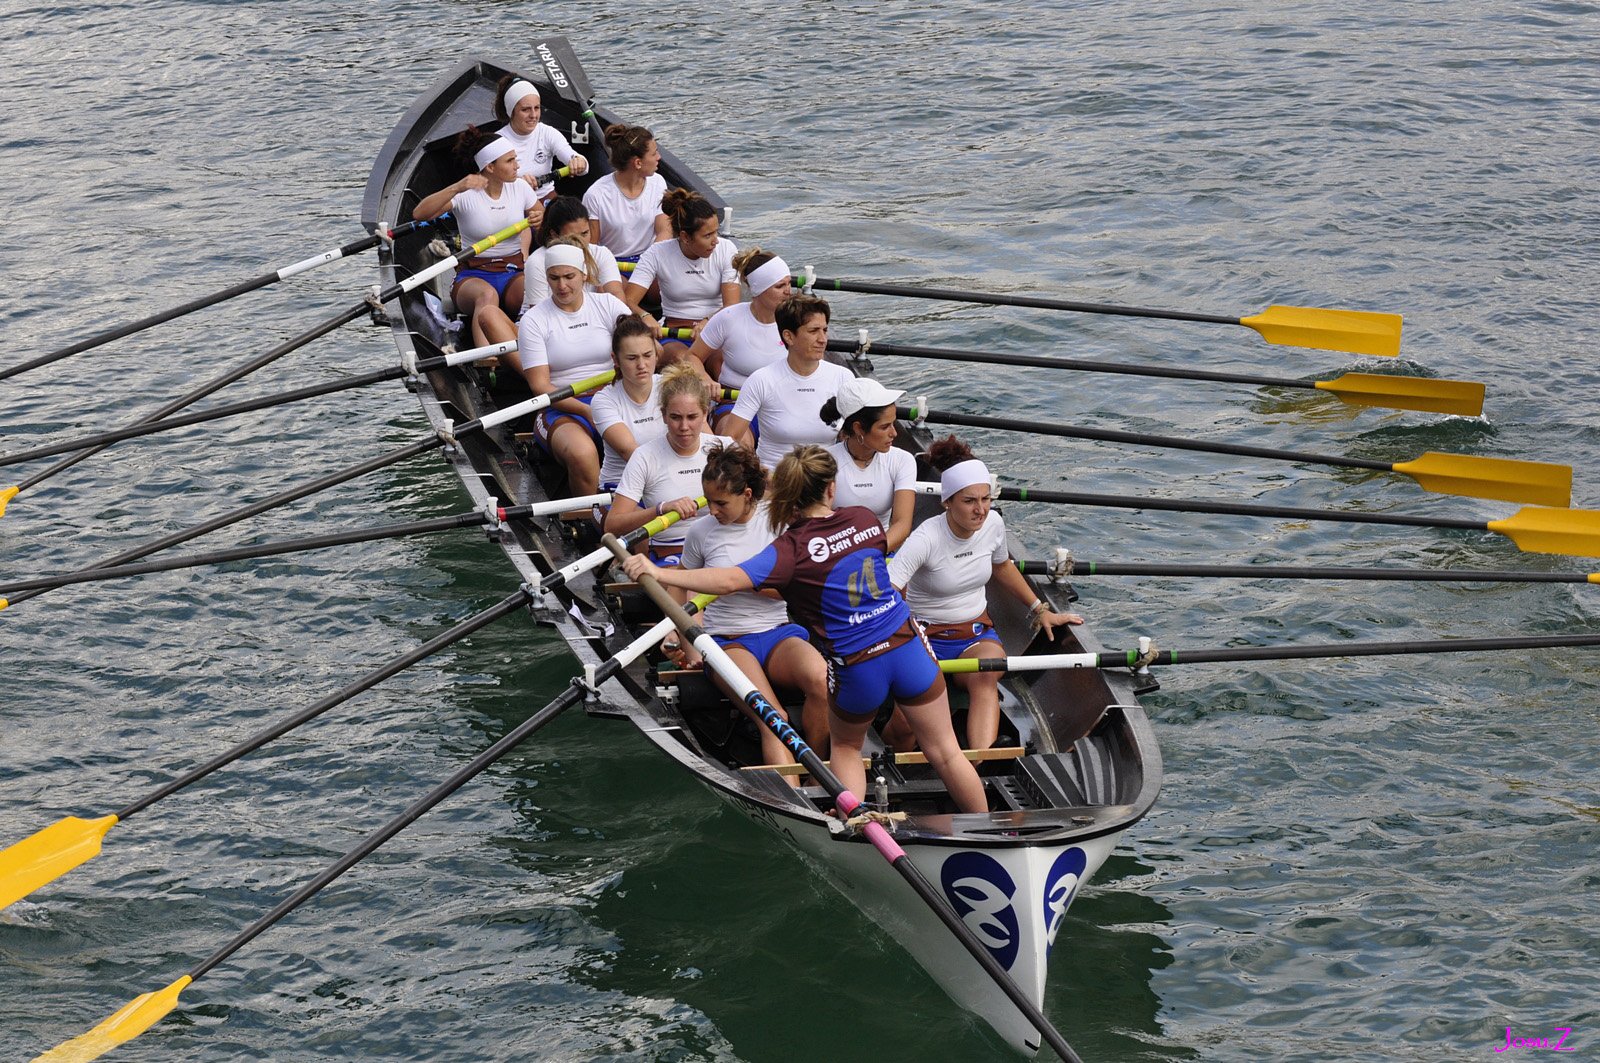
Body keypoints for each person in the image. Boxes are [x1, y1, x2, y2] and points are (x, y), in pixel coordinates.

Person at [622, 445, 989, 815]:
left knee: (846, 749)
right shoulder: (865, 520)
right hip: (909, 647)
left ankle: (855, 823)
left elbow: (730, 579)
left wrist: (658, 571)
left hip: (860, 667)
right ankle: (989, 825)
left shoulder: (790, 550)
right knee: (945, 753)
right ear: (831, 488)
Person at [888, 437, 1083, 749]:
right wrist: (897, 643)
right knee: (906, 726)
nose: (980, 510)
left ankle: (981, 761)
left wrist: (1039, 609)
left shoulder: (993, 523)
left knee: (988, 674)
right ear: (946, 502)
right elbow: (888, 592)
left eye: (985, 499)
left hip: (974, 636)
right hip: (924, 637)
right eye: (969, 501)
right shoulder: (925, 538)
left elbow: (1002, 566)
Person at [675, 443, 831, 770]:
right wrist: (690, 643)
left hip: (778, 633)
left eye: (720, 503)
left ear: (747, 494)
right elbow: (685, 585)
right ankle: (797, 803)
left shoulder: (779, 522)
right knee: (773, 719)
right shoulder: (700, 532)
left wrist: (749, 582)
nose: (712, 510)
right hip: (727, 641)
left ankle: (820, 781)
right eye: (708, 500)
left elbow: (798, 589)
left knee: (822, 681)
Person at [518, 238, 637, 496]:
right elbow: (541, 387)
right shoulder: (534, 321)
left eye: (569, 276)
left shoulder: (608, 305)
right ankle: (589, 520)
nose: (562, 286)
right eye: (554, 278)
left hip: (615, 398)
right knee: (583, 455)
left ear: (584, 274)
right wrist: (587, 410)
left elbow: (640, 348)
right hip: (562, 408)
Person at [412, 127, 541, 350]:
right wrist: (456, 187)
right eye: (510, 161)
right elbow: (419, 214)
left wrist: (540, 219)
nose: (517, 166)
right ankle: (485, 357)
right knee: (487, 296)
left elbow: (544, 221)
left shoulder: (520, 188)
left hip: (512, 270)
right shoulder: (465, 195)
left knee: (536, 294)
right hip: (473, 275)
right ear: (490, 167)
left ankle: (535, 346)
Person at [604, 362, 733, 563]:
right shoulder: (644, 457)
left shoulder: (726, 449)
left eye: (692, 417)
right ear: (663, 416)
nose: (684, 426)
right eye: (675, 417)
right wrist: (661, 509)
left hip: (724, 545)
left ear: (705, 414)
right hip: (672, 551)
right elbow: (612, 525)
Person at [719, 295, 854, 472]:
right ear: (789, 337)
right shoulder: (762, 380)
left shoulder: (843, 377)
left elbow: (857, 436)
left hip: (825, 481)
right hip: (774, 482)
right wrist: (761, 476)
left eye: (825, 330)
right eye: (814, 331)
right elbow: (729, 440)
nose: (823, 339)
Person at [686, 247, 792, 430]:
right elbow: (692, 356)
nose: (788, 291)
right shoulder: (728, 318)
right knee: (738, 447)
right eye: (779, 286)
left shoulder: (797, 320)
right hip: (735, 402)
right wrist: (704, 378)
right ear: (758, 290)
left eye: (789, 283)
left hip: (782, 403)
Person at [623, 188, 738, 345]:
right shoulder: (657, 253)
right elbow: (628, 300)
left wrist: (707, 321)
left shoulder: (726, 249)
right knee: (682, 362)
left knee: (719, 364)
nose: (716, 241)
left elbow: (731, 304)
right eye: (707, 235)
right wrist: (644, 316)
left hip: (715, 329)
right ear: (685, 237)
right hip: (674, 333)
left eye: (716, 232)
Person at [821, 377, 916, 551]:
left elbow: (902, 525)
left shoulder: (903, 460)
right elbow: (818, 525)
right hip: (835, 553)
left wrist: (867, 556)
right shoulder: (825, 462)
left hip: (883, 549)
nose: (894, 433)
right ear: (858, 429)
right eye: (884, 426)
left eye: (894, 424)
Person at [589, 315, 664, 490]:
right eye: (632, 358)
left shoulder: (672, 386)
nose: (642, 365)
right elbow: (630, 452)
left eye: (647, 355)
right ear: (615, 360)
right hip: (620, 487)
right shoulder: (604, 400)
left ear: (656, 354)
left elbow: (707, 441)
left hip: (666, 484)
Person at [583, 123, 670, 260]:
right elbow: (591, 246)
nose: (659, 157)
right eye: (654, 154)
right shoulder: (595, 195)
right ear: (638, 163)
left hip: (649, 258)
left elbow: (665, 231)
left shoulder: (658, 182)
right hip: (612, 263)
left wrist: (648, 264)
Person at [493, 77, 589, 202]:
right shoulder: (498, 141)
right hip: (512, 202)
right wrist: (517, 186)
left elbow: (580, 164)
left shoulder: (547, 133)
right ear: (511, 112)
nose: (533, 115)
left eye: (537, 108)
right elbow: (490, 184)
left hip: (546, 197)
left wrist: (579, 162)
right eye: (525, 109)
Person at [522, 196, 625, 309]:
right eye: (573, 237)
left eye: (585, 233)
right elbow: (539, 313)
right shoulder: (536, 261)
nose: (581, 241)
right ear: (555, 235)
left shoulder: (601, 253)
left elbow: (616, 296)